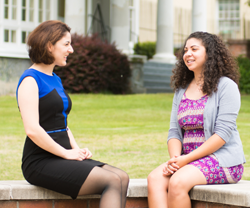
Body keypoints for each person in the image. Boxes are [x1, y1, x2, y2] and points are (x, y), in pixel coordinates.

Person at [16, 20, 129, 208]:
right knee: (112, 181)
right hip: (40, 160)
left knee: (122, 177)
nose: (72, 50)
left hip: (62, 154)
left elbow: (62, 123)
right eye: (66, 44)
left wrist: (77, 149)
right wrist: (67, 154)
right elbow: (32, 130)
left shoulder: (55, 79)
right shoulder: (30, 80)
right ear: (49, 46)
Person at [147, 31, 246, 208]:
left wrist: (186, 160)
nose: (187, 54)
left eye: (194, 49)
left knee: (177, 182)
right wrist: (176, 159)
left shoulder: (226, 86)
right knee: (155, 179)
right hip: (188, 161)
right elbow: (174, 132)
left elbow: (222, 134)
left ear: (210, 53)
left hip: (223, 160)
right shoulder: (181, 90)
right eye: (185, 50)